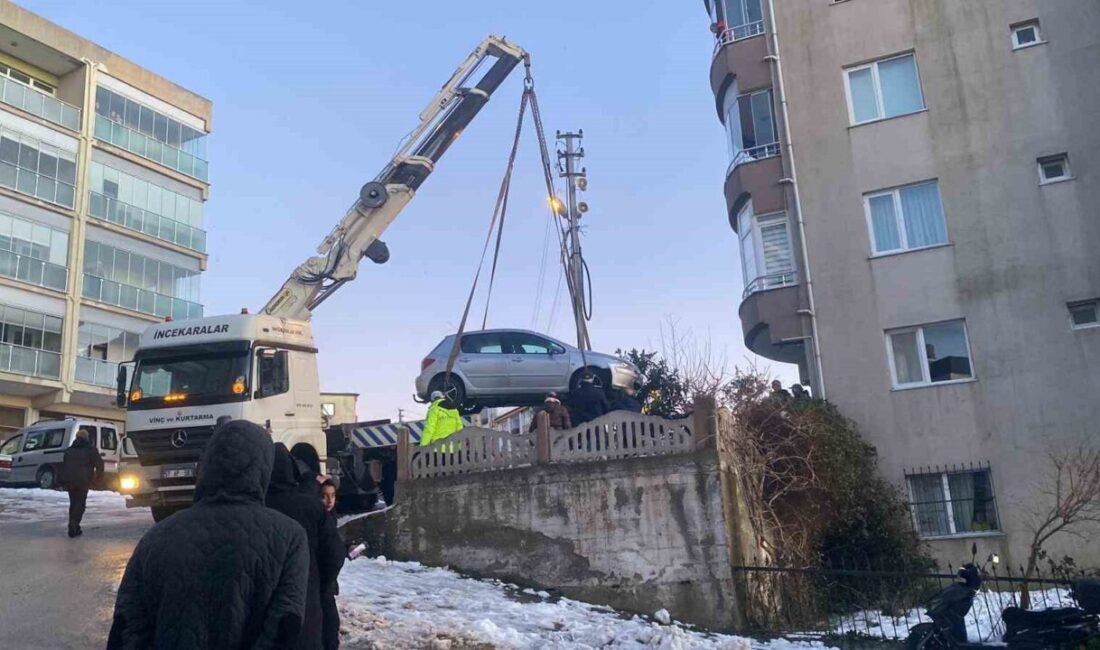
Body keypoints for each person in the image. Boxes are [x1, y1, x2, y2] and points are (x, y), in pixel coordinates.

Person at [108, 420, 309, 649]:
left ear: (206, 464)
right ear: (264, 467)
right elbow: (284, 628)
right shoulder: (289, 537)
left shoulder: (156, 537)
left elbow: (128, 627)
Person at [267, 444, 345, 650]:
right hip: (309, 604)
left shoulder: (255, 509)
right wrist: (320, 585)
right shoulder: (312, 507)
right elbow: (335, 555)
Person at [61, 428, 103, 538]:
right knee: (80, 504)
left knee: (73, 503)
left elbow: (64, 465)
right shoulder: (90, 450)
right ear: (87, 438)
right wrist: (97, 479)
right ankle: (74, 524)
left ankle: (73, 524)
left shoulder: (69, 450)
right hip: (83, 481)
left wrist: (64, 480)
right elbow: (99, 465)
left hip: (70, 481)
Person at [319, 479, 344, 650]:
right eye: (324, 496)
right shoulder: (319, 520)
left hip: (327, 584)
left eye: (333, 496)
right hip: (322, 584)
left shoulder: (331, 518)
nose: (329, 501)